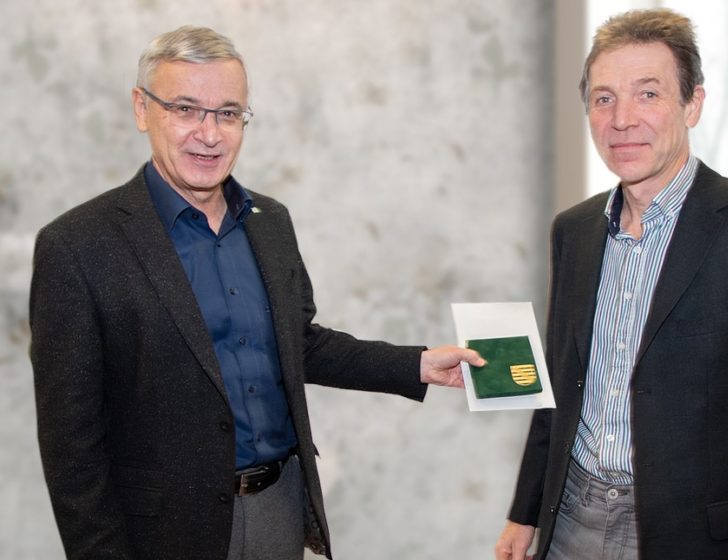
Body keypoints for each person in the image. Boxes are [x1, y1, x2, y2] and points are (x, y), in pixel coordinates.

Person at [30, 25, 483, 560]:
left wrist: (418, 364)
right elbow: (71, 448)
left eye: (228, 113)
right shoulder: (77, 245)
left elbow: (299, 343)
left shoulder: (270, 222)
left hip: (279, 507)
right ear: (141, 109)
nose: (210, 134)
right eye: (185, 109)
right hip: (163, 528)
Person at [495, 8, 728, 560]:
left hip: (694, 537)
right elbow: (561, 386)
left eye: (648, 94)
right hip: (570, 523)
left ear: (693, 104)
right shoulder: (575, 231)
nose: (622, 118)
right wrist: (525, 508)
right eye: (604, 98)